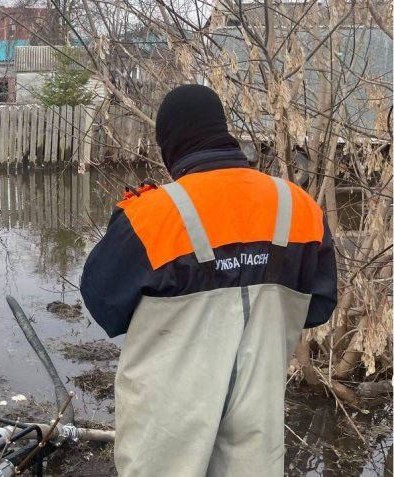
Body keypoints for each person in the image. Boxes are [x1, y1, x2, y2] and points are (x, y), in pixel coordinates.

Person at [80, 84, 337, 476]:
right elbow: (317, 306)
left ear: (170, 144)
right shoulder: (300, 208)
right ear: (221, 130)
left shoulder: (151, 216)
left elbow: (103, 304)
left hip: (165, 436)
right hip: (257, 431)